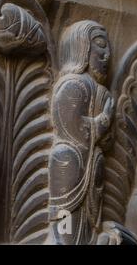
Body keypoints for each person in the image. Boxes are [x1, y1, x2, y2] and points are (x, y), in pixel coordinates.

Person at [49, 20, 114, 244]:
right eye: (99, 44)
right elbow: (70, 127)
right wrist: (102, 121)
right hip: (70, 162)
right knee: (66, 215)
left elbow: (107, 142)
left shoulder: (102, 92)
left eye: (108, 47)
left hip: (92, 164)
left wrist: (103, 129)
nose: (107, 54)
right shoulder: (73, 85)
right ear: (80, 47)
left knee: (86, 226)